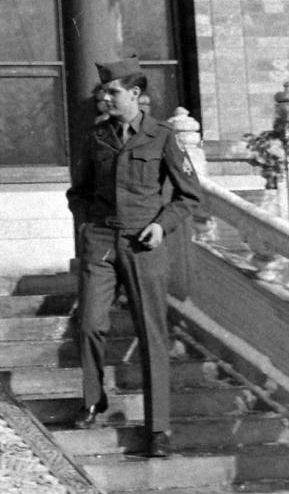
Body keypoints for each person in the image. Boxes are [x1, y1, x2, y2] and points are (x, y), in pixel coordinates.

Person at [66, 56, 202, 459]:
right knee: (89, 323)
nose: (104, 98)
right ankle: (93, 400)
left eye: (112, 91)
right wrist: (86, 227)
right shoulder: (96, 137)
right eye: (103, 92)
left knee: (151, 334)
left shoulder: (162, 136)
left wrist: (161, 225)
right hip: (101, 241)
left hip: (144, 244)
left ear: (135, 94)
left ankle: (158, 428)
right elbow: (78, 192)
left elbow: (189, 196)